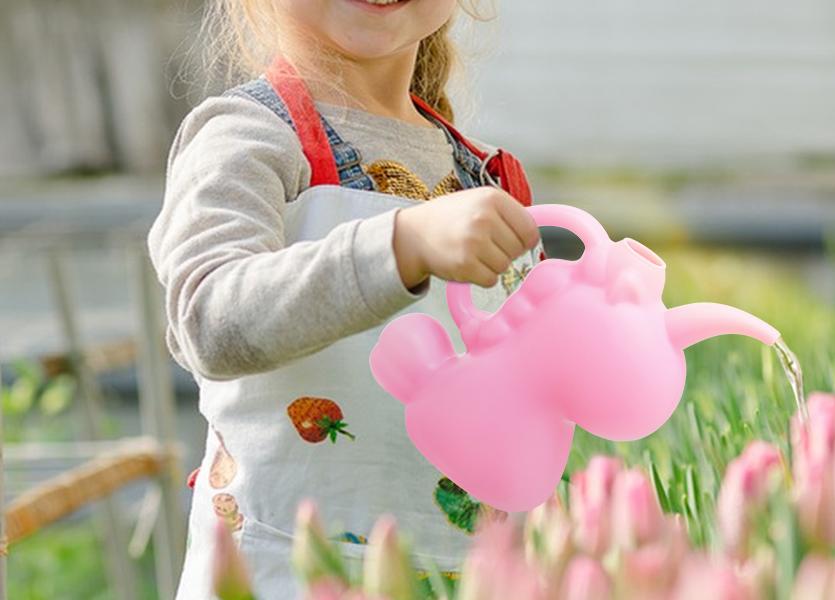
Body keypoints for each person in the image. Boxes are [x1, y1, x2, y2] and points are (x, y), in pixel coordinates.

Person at [147, 0, 544, 597]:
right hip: (287, 574)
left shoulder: (485, 176)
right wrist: (401, 244)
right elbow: (209, 318)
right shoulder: (247, 136)